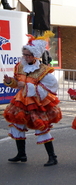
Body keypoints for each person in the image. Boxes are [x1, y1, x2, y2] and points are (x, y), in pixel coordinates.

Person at [3, 31, 61, 166]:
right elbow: (17, 83)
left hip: (37, 102)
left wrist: (28, 86)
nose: (25, 57)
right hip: (21, 101)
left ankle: (52, 156)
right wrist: (10, 82)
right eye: (24, 54)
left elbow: (51, 88)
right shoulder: (20, 67)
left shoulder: (43, 70)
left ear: (35, 55)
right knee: (17, 125)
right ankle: (21, 154)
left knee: (41, 127)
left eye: (28, 55)